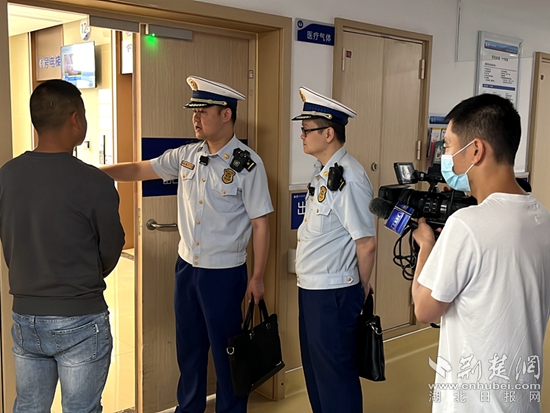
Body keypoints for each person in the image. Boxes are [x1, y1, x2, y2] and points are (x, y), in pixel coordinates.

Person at [101, 76, 273, 413]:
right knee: (189, 349)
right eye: (193, 111)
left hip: (224, 273)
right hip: (187, 269)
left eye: (203, 111)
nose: (195, 118)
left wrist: (257, 277)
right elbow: (138, 169)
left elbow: (260, 223)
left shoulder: (247, 164)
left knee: (227, 353)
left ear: (226, 114)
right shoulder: (186, 155)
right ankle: (189, 408)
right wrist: (90, 171)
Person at [412, 94, 550, 413]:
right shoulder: (543, 218)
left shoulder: (467, 224)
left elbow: (424, 309)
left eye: (447, 146)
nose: (445, 157)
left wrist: (427, 247)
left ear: (475, 150)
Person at [0, 79, 125, 412]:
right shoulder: (96, 182)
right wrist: (83, 274)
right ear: (75, 119)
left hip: (26, 315)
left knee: (29, 406)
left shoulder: (7, 175)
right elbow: (111, 248)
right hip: (80, 315)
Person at [292, 87, 376, 413]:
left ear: (328, 134)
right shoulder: (323, 173)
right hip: (313, 289)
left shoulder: (349, 177)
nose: (301, 135)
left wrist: (361, 288)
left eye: (306, 129)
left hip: (335, 293)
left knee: (336, 377)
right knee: (317, 374)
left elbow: (366, 242)